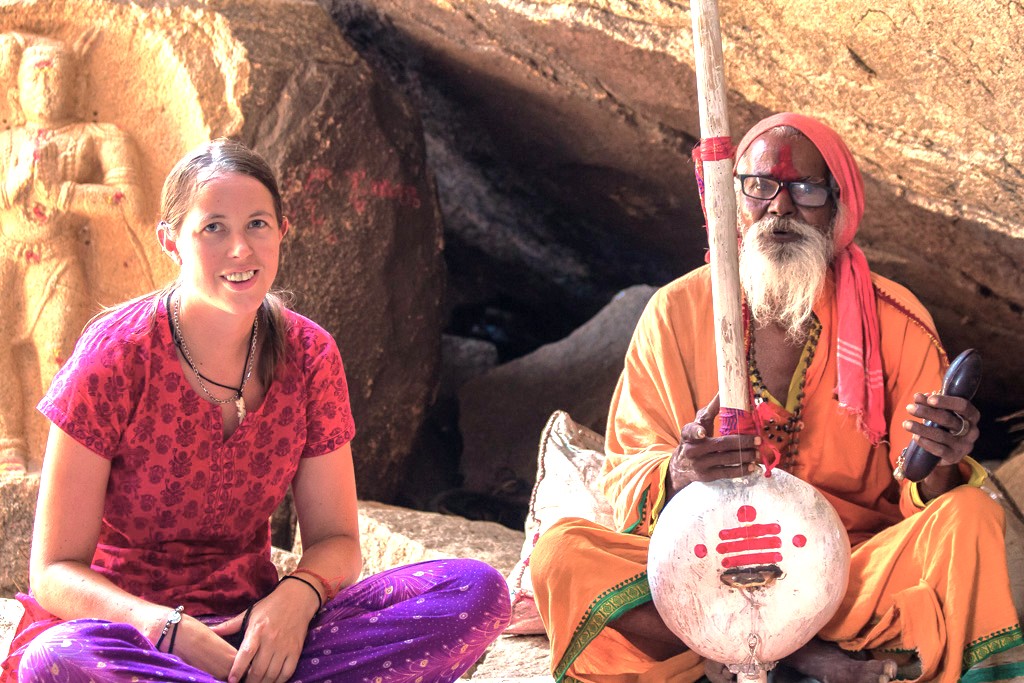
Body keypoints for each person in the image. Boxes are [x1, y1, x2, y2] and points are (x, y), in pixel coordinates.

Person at [529, 113, 1021, 683]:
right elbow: (627, 469)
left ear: (838, 207)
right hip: (706, 563)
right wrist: (679, 472)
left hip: (848, 570)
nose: (780, 207)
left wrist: (941, 461)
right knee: (562, 553)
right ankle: (798, 657)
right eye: (760, 186)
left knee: (971, 517)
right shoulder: (675, 311)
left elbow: (923, 492)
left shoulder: (896, 320)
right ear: (734, 201)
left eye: (806, 190)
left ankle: (745, 651)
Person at [0, 139, 511, 683]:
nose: (241, 249)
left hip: (263, 637)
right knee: (56, 658)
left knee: (474, 590)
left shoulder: (311, 356)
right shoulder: (115, 357)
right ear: (171, 241)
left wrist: (296, 597)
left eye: (258, 225)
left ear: (282, 231)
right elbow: (53, 571)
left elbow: (336, 541)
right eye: (213, 228)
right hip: (135, 638)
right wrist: (165, 628)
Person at [0, 32, 150, 473]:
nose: (46, 87)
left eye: (57, 77)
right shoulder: (6, 142)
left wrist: (64, 192)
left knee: (58, 352)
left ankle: (60, 453)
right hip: (7, 255)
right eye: (35, 78)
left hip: (59, 258)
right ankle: (9, 440)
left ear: (79, 87)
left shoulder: (98, 137)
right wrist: (12, 185)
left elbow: (132, 203)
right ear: (15, 93)